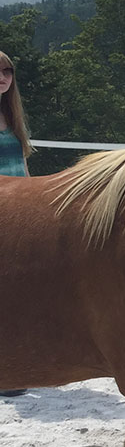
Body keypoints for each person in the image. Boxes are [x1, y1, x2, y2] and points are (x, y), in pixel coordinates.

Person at [1, 51, 32, 396]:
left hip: (15, 210)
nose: (2, 76)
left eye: (7, 71)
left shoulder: (14, 119)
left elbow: (22, 167)